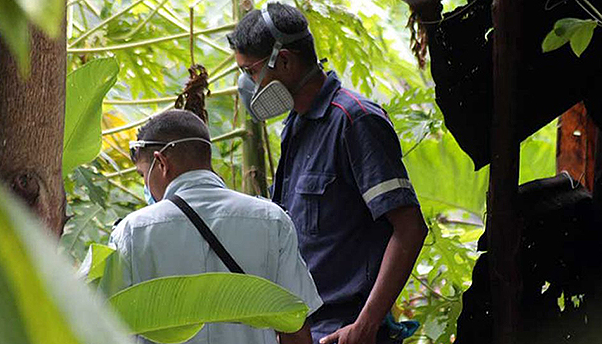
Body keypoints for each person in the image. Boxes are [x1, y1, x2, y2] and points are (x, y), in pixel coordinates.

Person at [228, 3, 429, 344]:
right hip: (306, 330)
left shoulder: (355, 120)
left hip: (345, 331)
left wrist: (366, 324)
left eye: (251, 72)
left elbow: (410, 228)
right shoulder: (296, 124)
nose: (248, 84)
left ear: (286, 61)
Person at [99, 109, 323, 344]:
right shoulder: (272, 221)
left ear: (161, 163)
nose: (146, 184)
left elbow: (107, 328)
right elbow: (295, 328)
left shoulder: (132, 232)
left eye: (143, 174)